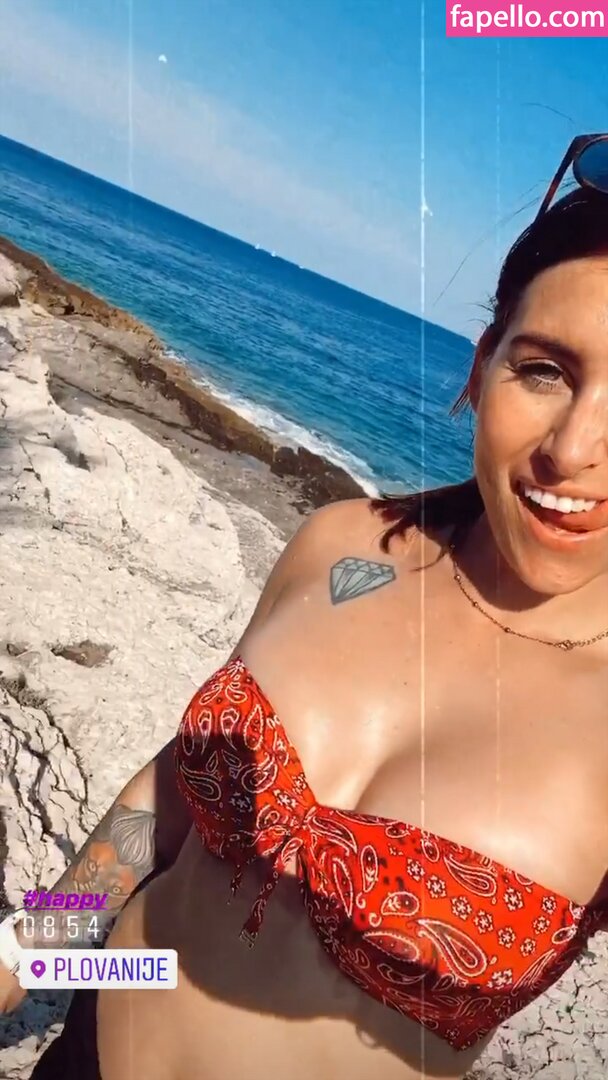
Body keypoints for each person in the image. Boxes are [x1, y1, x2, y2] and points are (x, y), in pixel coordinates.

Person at [3, 134, 608, 1080]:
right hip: (91, 1044)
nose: (571, 450)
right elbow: (173, 794)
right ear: (484, 363)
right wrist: (28, 954)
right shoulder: (345, 552)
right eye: (545, 370)